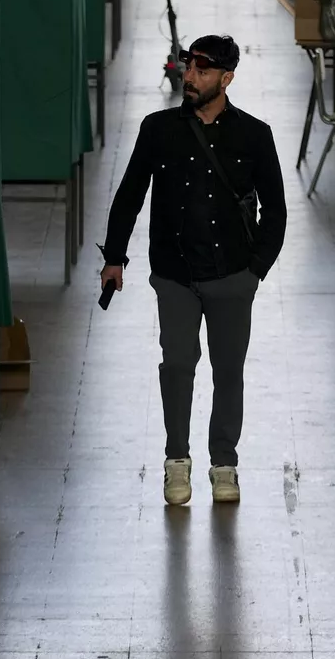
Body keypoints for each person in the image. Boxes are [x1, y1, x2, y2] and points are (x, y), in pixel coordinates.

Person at [100, 35, 286, 506]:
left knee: (228, 372)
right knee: (178, 366)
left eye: (202, 71)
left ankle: (224, 464)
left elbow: (277, 212)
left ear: (226, 78)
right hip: (175, 275)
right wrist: (114, 259)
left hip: (232, 276)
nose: (190, 77)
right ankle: (176, 462)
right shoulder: (158, 129)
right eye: (188, 68)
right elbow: (129, 195)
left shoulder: (254, 135)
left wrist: (255, 272)